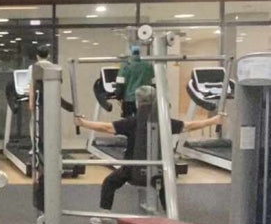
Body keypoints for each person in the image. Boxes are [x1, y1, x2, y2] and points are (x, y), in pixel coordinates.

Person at [75, 84, 224, 211]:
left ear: (137, 102)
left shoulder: (132, 122)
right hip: (160, 170)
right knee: (165, 186)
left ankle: (104, 215)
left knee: (109, 183)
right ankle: (171, 217)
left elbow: (107, 128)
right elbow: (188, 126)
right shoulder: (164, 121)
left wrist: (83, 123)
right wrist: (213, 120)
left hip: (132, 171)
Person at [114, 44, 154, 116]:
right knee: (144, 119)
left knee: (128, 120)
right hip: (145, 99)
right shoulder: (148, 65)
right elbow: (153, 82)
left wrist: (118, 97)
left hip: (129, 100)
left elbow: (120, 84)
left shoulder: (125, 65)